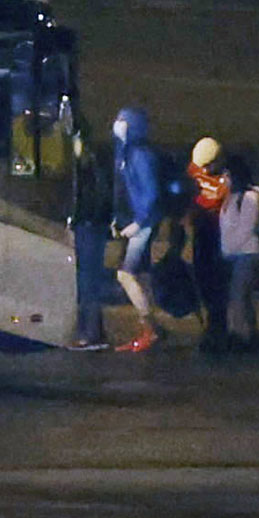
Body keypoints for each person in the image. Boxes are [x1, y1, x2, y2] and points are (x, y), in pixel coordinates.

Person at [111, 106, 171, 350]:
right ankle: (150, 328)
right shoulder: (126, 152)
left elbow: (150, 192)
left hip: (144, 222)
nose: (117, 124)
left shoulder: (139, 155)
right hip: (138, 220)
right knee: (140, 275)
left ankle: (151, 329)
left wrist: (138, 222)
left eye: (122, 120)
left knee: (126, 273)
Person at [68, 110, 116, 349]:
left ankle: (90, 333)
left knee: (87, 281)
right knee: (88, 280)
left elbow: (91, 194)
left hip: (88, 223)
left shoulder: (87, 160)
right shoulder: (93, 158)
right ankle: (93, 330)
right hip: (91, 223)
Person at [187, 136, 231, 351]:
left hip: (218, 235)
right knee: (203, 280)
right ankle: (210, 326)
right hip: (201, 232)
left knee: (217, 286)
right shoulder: (195, 172)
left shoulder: (226, 180)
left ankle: (218, 330)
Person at [218, 152, 259, 351]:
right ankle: (252, 335)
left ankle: (237, 335)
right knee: (243, 298)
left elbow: (248, 227)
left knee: (238, 296)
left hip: (246, 254)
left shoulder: (250, 197)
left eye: (227, 175)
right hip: (233, 254)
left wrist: (229, 248)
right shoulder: (232, 197)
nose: (223, 179)